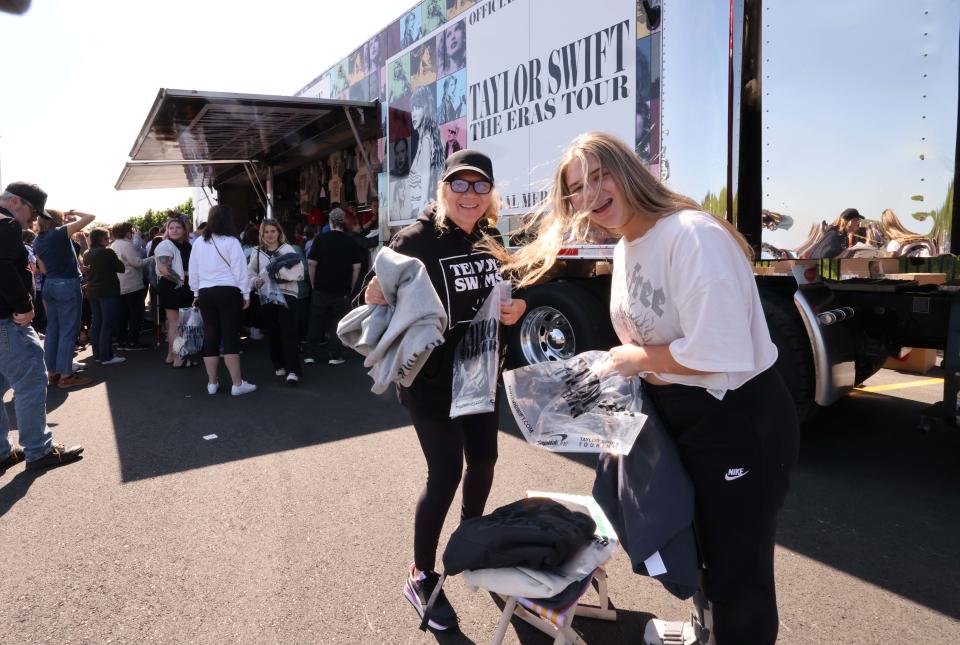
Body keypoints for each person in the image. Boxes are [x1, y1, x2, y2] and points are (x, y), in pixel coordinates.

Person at [488, 132, 799, 645]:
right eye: (576, 189)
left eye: (599, 176)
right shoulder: (628, 246)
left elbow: (719, 352)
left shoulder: (691, 235)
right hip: (686, 417)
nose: (591, 194)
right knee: (699, 545)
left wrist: (636, 360)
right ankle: (707, 633)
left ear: (627, 171)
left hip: (738, 419)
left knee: (738, 571)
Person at [363, 150, 527, 631]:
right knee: (445, 475)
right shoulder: (415, 239)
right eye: (460, 184)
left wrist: (519, 307)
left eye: (480, 186)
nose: (470, 195)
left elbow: (510, 290)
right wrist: (374, 292)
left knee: (486, 462)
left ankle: (469, 539)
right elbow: (371, 297)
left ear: (490, 194)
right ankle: (420, 574)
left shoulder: (492, 238)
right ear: (443, 190)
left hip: (479, 377)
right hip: (431, 383)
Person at [0, 182, 84, 473]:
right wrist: (24, 306)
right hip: (7, 322)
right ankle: (39, 450)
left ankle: (2, 451)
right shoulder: (7, 224)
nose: (33, 220)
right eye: (33, 212)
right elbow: (3, 268)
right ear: (16, 203)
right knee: (31, 383)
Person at [188, 205, 256, 396]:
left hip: (205, 293)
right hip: (228, 291)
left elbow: (193, 270)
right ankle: (237, 384)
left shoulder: (199, 243)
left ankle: (211, 383)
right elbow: (240, 269)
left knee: (211, 334)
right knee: (229, 335)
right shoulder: (232, 242)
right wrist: (245, 293)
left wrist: (195, 293)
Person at [33, 207, 95, 387]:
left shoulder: (37, 240)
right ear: (56, 219)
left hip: (49, 285)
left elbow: (42, 269)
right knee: (68, 331)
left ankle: (52, 372)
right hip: (67, 284)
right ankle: (66, 376)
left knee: (53, 329)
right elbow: (91, 216)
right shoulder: (60, 232)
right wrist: (74, 211)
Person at [305, 208, 365, 366]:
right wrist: (351, 286)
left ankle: (310, 354)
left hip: (321, 287)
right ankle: (334, 355)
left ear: (330, 221)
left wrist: (313, 283)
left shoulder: (320, 239)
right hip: (342, 288)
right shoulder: (350, 240)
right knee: (337, 322)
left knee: (316, 321)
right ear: (343, 222)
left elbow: (311, 264)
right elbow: (357, 267)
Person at [248, 219, 304, 384]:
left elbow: (299, 273)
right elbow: (250, 273)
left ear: (279, 232)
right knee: (273, 332)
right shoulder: (257, 251)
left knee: (289, 332)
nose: (270, 234)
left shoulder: (288, 249)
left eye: (273, 231)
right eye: (267, 232)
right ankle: (278, 364)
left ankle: (293, 370)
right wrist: (254, 282)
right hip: (267, 296)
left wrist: (277, 273)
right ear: (262, 234)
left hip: (288, 295)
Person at [154, 218, 198, 368]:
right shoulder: (166, 244)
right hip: (173, 287)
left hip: (181, 286)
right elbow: (163, 269)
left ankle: (171, 356)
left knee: (176, 323)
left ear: (185, 230)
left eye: (177, 227)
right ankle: (179, 357)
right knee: (177, 324)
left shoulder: (186, 245)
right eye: (171, 228)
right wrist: (181, 281)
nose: (174, 230)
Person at [82, 228, 126, 366]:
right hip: (107, 291)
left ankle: (97, 355)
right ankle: (106, 356)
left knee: (97, 323)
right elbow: (121, 268)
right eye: (107, 238)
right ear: (101, 239)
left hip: (93, 291)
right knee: (107, 323)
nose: (109, 240)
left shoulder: (87, 253)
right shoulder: (107, 252)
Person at [110, 222, 149, 351]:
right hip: (132, 284)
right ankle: (133, 342)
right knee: (136, 315)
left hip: (119, 284)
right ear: (126, 232)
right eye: (131, 232)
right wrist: (153, 258)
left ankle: (122, 341)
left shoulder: (113, 245)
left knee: (122, 315)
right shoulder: (127, 245)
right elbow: (137, 263)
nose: (132, 234)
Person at [407, 86, 445, 219]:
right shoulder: (428, 139)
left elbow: (425, 176)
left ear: (426, 109)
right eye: (412, 108)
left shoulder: (426, 140)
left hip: (422, 210)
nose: (414, 114)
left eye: (418, 107)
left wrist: (422, 210)